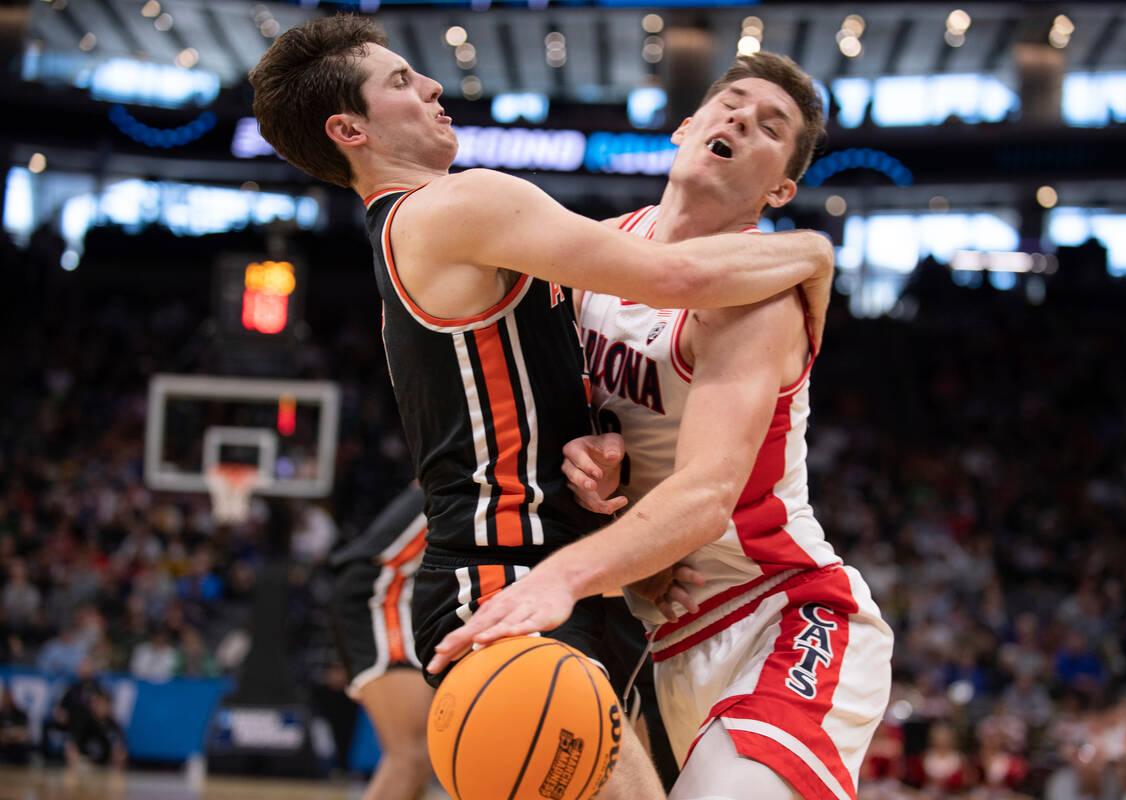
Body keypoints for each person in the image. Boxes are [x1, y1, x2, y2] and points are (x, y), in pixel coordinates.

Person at [249, 15, 834, 800]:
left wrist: (603, 456)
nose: (429, 87)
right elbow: (673, 279)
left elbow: (577, 385)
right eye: (398, 81)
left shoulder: (434, 227)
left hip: (569, 571)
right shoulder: (458, 206)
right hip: (506, 570)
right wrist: (814, 253)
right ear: (349, 129)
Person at [432, 53, 892, 800]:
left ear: (782, 188)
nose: (741, 118)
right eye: (731, 104)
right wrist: (593, 461)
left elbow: (707, 493)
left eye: (770, 126)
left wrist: (560, 579)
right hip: (659, 630)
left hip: (778, 608)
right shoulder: (599, 251)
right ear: (685, 127)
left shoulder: (759, 298)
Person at [329, 483, 433, 800]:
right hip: (382, 588)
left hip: (407, 594)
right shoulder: (473, 457)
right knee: (409, 758)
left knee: (423, 758)